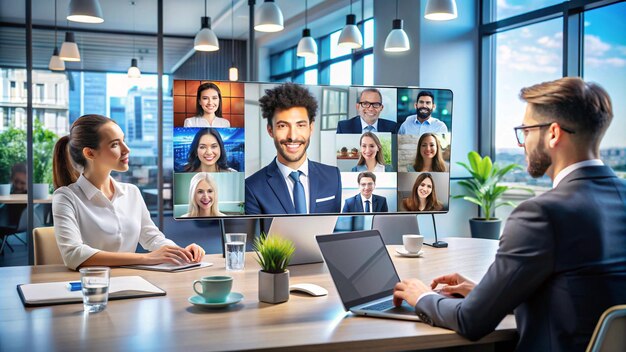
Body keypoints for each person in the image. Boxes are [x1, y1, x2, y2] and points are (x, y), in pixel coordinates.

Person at [392, 77, 626, 351]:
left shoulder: (541, 214)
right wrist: (486, 293)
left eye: (525, 130)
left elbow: (471, 321)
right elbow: (582, 297)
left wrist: (422, 297)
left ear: (552, 133)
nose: (521, 143)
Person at [52, 114, 204, 270]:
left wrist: (181, 252)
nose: (127, 149)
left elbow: (152, 238)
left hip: (131, 281)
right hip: (91, 286)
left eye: (123, 140)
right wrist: (146, 258)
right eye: (115, 144)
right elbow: (73, 255)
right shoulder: (66, 197)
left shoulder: (132, 192)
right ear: (90, 153)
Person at [245, 83, 342, 215]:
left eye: (300, 125)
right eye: (283, 126)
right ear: (270, 130)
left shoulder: (333, 177)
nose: (293, 136)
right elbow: (254, 236)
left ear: (311, 128)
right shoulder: (252, 187)